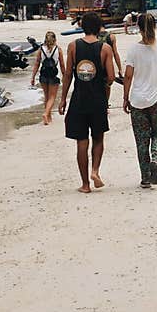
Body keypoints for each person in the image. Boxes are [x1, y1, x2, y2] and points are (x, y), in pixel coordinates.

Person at [59, 12, 115, 193]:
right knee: (98, 138)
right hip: (98, 99)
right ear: (99, 27)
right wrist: (102, 86)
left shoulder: (73, 46)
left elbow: (68, 74)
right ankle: (95, 171)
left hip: (79, 99)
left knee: (81, 142)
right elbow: (111, 77)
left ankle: (85, 185)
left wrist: (62, 100)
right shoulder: (105, 48)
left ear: (83, 26)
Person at [123, 14, 157, 188]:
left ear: (138, 27)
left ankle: (145, 178)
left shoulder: (133, 50)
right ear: (155, 25)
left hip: (137, 100)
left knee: (141, 140)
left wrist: (125, 98)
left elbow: (128, 76)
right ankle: (155, 160)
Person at [31, 30, 65, 125]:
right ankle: (46, 114)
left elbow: (37, 64)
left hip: (43, 74)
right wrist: (65, 76)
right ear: (55, 39)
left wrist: (33, 77)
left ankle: (48, 117)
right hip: (54, 75)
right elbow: (62, 65)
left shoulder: (41, 49)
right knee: (52, 97)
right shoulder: (58, 49)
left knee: (46, 97)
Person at [98, 21, 124, 94]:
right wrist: (120, 69)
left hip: (97, 65)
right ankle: (106, 103)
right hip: (108, 66)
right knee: (108, 86)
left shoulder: (94, 36)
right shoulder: (111, 36)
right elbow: (116, 53)